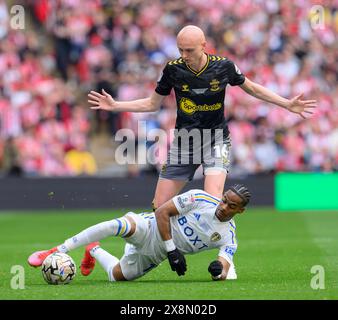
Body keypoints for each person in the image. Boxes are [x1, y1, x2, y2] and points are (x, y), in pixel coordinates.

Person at [87, 25, 316, 211]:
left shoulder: (223, 66)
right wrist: (116, 105)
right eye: (180, 50)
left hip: (216, 140)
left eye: (189, 50)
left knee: (213, 204)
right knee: (158, 207)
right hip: (184, 143)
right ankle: (171, 247)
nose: (184, 55)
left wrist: (286, 103)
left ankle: (224, 259)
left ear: (203, 46)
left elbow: (253, 89)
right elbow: (152, 103)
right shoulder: (173, 69)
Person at [28, 184, 251, 281]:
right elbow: (162, 212)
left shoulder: (229, 237)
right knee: (113, 226)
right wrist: (172, 250)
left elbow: (224, 267)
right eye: (224, 201)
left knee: (116, 277)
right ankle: (56, 249)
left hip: (155, 255)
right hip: (150, 228)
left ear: (240, 211)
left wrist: (216, 272)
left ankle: (93, 250)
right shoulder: (201, 198)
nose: (223, 207)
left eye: (231, 206)